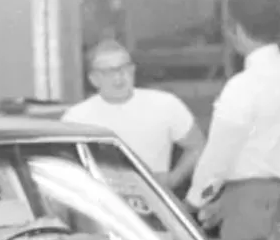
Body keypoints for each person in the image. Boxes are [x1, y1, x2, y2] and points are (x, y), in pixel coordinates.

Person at [186, 0, 280, 240]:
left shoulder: (243, 86)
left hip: (250, 203)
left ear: (238, 29)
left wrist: (195, 200)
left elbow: (219, 156)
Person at [62, 40, 204, 191]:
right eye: (108, 72)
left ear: (133, 70)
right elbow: (63, 166)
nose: (118, 78)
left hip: (154, 199)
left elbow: (197, 146)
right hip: (101, 201)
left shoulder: (165, 104)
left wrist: (173, 180)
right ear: (93, 79)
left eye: (123, 69)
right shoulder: (76, 117)